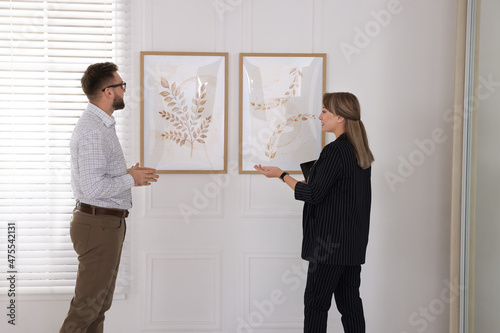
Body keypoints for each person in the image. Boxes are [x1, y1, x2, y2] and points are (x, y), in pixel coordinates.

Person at [254, 92, 374, 333]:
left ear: (340, 117)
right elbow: (338, 195)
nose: (320, 116)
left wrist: (281, 175)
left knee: (316, 305)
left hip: (329, 247)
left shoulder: (335, 151)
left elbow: (313, 195)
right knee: (350, 306)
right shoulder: (359, 151)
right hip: (352, 244)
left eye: (325, 112)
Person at [60, 62, 159, 333]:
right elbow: (92, 188)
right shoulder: (94, 130)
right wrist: (131, 179)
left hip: (104, 224)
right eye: (121, 86)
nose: (124, 91)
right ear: (107, 91)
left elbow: (97, 178)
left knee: (98, 307)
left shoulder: (100, 125)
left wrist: (126, 174)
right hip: (98, 225)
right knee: (85, 310)